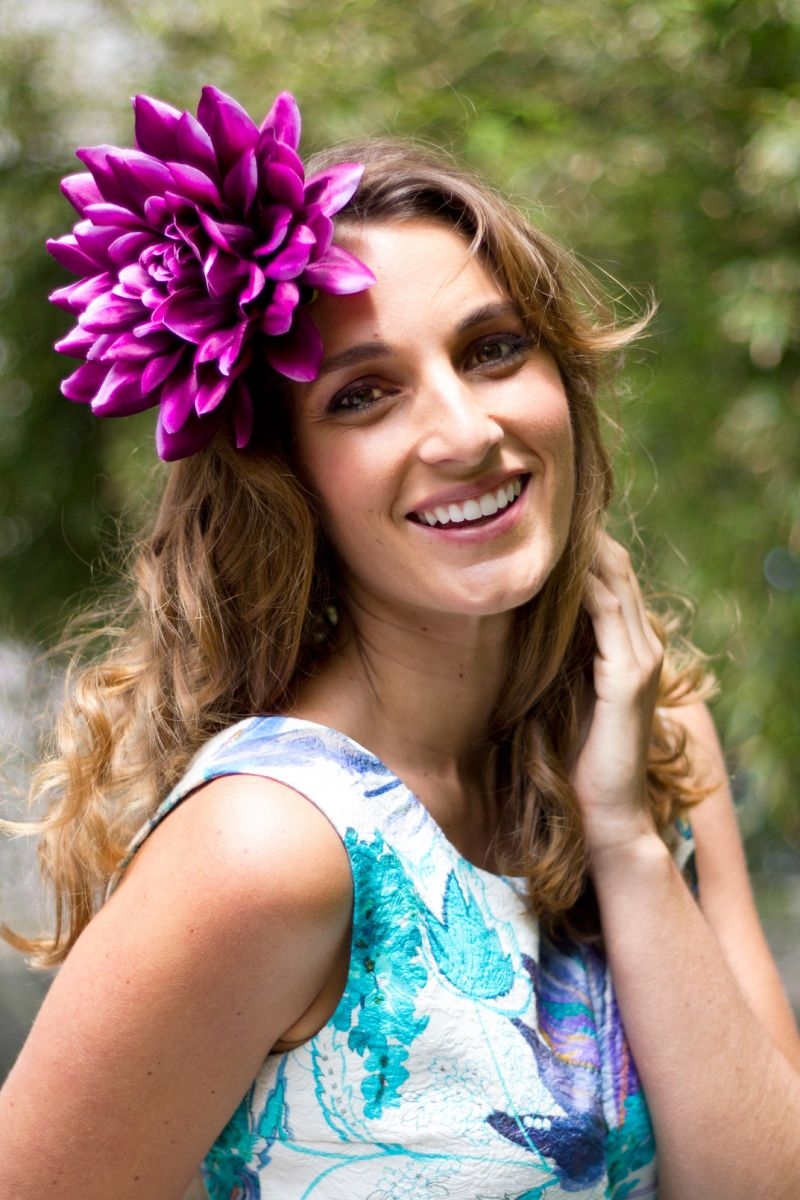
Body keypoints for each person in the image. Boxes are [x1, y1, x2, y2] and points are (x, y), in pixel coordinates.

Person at [1, 85, 798, 1200]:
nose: (466, 434)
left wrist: (619, 836)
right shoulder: (268, 850)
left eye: (491, 350)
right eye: (364, 396)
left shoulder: (652, 731)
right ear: (289, 482)